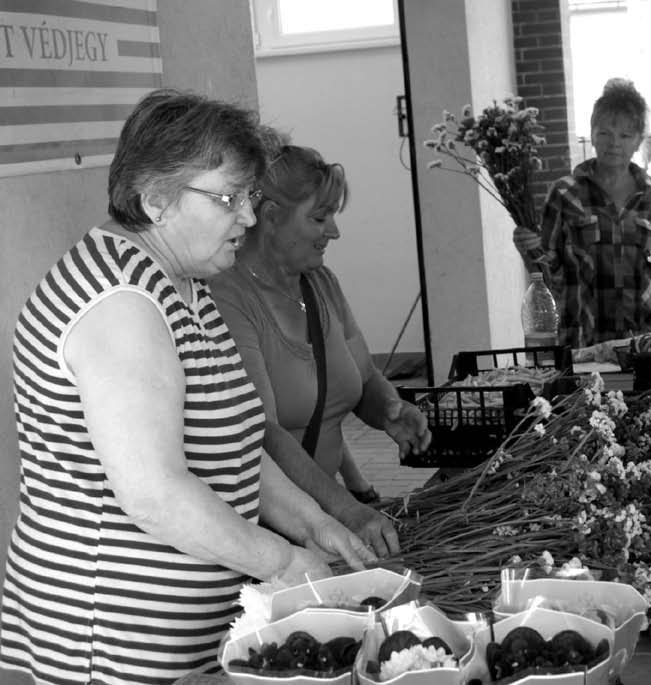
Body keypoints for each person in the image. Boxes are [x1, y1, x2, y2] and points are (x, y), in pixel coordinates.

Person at [0, 90, 373, 685]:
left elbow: (234, 448)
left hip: (180, 639)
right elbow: (154, 494)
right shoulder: (121, 302)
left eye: (249, 197)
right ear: (156, 200)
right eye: (229, 198)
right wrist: (283, 561)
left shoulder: (184, 281)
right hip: (111, 641)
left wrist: (316, 524)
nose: (249, 218)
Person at [210, 139, 430, 559]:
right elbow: (264, 435)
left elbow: (364, 378)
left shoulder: (321, 283)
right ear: (272, 217)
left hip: (323, 528)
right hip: (272, 534)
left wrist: (389, 411)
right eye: (319, 217)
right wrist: (348, 511)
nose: (334, 231)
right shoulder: (229, 297)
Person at [514, 77, 651, 348]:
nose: (614, 143)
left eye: (625, 135)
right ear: (592, 133)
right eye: (605, 132)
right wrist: (528, 248)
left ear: (638, 141)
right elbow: (548, 274)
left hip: (645, 342)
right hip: (582, 341)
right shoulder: (564, 194)